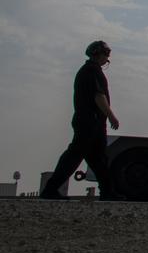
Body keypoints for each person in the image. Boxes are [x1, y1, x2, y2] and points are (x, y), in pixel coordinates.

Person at [40, 40, 120, 200]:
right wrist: (111, 115)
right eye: (106, 54)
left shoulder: (89, 70)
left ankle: (108, 192)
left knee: (98, 159)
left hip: (93, 122)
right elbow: (99, 96)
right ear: (98, 53)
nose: (108, 58)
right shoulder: (92, 71)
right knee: (74, 156)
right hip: (89, 122)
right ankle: (50, 189)